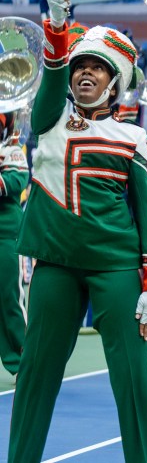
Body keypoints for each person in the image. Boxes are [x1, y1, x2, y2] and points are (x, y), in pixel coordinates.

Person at [9, 0, 147, 463]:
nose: (85, 73)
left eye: (97, 68)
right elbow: (49, 83)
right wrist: (58, 29)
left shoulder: (134, 138)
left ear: (114, 82)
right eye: (80, 65)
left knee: (136, 379)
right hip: (54, 266)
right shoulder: (49, 119)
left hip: (116, 268)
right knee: (35, 374)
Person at [0, 110, 28, 380]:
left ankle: (23, 363)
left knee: (9, 299)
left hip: (6, 235)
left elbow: (15, 181)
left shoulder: (13, 149)